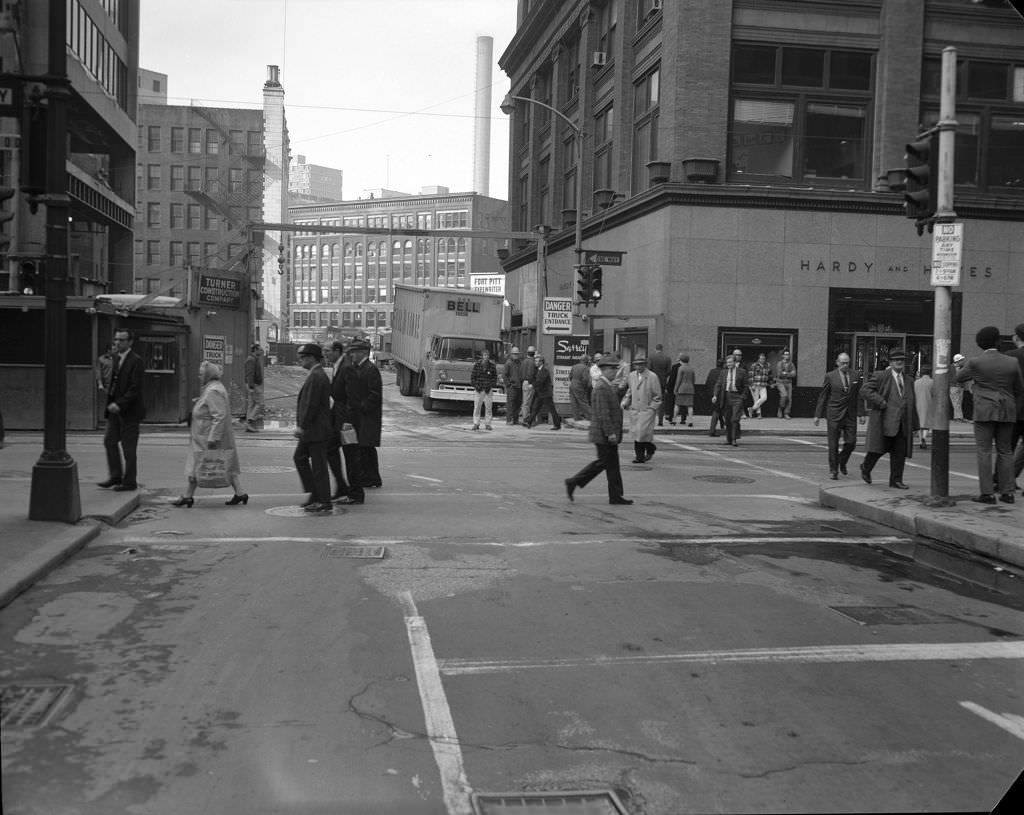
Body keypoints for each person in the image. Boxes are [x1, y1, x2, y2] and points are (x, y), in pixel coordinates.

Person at [955, 326, 1023, 504]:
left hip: (984, 409)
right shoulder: (1011, 362)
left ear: (980, 343)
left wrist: (976, 383)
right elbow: (1019, 388)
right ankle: (1007, 492)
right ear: (997, 341)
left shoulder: (976, 362)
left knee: (984, 451)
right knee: (1005, 450)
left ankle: (987, 493)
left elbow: (959, 377)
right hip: (1007, 409)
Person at [172, 361, 247, 507]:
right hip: (204, 435)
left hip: (206, 437)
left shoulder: (213, 391)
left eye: (201, 374)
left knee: (198, 464)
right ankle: (240, 493)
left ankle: (188, 496)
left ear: (208, 375)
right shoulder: (213, 388)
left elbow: (219, 415)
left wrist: (213, 437)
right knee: (225, 463)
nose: (199, 376)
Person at [564, 353, 633, 505]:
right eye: (613, 369)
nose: (615, 372)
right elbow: (603, 414)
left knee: (612, 465)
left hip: (606, 433)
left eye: (616, 369)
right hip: (603, 434)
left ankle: (615, 496)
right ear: (605, 370)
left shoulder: (607, 385)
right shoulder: (602, 387)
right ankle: (573, 481)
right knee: (603, 463)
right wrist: (610, 434)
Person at [335, 337, 384, 504]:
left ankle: (371, 478)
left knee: (366, 447)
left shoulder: (370, 369)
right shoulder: (359, 368)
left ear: (363, 353)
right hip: (362, 416)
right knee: (365, 448)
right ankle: (371, 478)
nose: (351, 355)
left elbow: (374, 395)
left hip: (367, 416)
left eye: (354, 352)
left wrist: (361, 407)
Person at [860, 350, 917, 490]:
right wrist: (880, 401)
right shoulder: (881, 376)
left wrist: (915, 425)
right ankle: (866, 467)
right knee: (878, 449)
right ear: (890, 363)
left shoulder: (909, 380)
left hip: (902, 423)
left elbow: (911, 402)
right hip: (884, 421)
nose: (899, 362)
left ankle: (896, 480)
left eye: (902, 360)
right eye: (896, 360)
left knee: (900, 452)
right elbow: (865, 390)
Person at [99, 328, 146, 491]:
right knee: (109, 441)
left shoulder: (136, 360)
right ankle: (115, 475)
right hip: (114, 410)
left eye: (122, 340)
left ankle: (129, 481)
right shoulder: (115, 358)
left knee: (128, 448)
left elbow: (135, 388)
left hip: (129, 411)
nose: (118, 343)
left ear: (130, 342)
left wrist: (120, 403)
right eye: (116, 340)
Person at [293, 343, 334, 512]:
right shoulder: (315, 374)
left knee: (318, 466)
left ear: (311, 358)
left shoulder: (317, 376)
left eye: (302, 357)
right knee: (300, 458)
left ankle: (323, 500)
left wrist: (302, 426)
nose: (300, 360)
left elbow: (311, 405)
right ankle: (315, 494)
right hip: (313, 429)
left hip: (315, 429)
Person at [813, 352, 865, 479]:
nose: (845, 365)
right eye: (842, 363)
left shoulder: (856, 375)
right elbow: (823, 396)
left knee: (851, 442)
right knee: (833, 444)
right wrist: (817, 415)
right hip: (834, 414)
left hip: (850, 415)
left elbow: (859, 395)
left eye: (847, 362)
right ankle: (834, 470)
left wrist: (861, 413)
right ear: (837, 363)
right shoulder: (830, 376)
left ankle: (842, 460)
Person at [324, 340, 352, 502]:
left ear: (337, 350)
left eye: (327, 351)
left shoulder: (346, 367)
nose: (325, 354)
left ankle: (349, 489)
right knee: (332, 450)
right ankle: (343, 486)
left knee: (349, 454)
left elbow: (351, 397)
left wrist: (347, 421)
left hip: (345, 420)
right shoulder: (337, 366)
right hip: (338, 417)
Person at [622, 353, 661, 463]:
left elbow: (658, 396)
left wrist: (652, 408)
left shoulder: (652, 377)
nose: (638, 367)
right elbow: (629, 391)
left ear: (645, 365)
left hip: (646, 410)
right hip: (635, 409)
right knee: (636, 434)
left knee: (641, 433)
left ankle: (650, 448)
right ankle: (639, 457)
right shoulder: (631, 376)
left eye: (640, 365)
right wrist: (626, 401)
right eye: (636, 365)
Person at [712, 354, 747, 446]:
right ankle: (728, 439)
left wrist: (743, 397)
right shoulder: (723, 372)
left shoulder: (742, 372)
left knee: (734, 419)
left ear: (735, 362)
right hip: (726, 397)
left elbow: (746, 386)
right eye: (727, 362)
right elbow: (718, 384)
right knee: (727, 419)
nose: (729, 364)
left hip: (737, 397)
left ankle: (734, 439)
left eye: (730, 362)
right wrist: (715, 395)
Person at [1006, 323, 1024, 490]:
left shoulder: (1011, 357)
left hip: (1014, 408)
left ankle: (1005, 481)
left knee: (1007, 447)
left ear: (1016, 337)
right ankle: (1010, 477)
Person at [523, 353, 561, 430]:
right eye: (535, 361)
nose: (536, 362)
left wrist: (532, 385)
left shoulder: (544, 371)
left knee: (551, 409)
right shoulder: (537, 370)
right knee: (535, 408)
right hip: (539, 393)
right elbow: (533, 377)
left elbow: (540, 381)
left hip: (546, 394)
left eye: (537, 361)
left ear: (541, 362)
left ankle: (557, 425)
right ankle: (529, 422)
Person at [471, 347, 498, 430]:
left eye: (487, 355)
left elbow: (494, 378)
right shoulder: (477, 365)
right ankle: (476, 423)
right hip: (478, 390)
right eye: (484, 355)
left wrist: (490, 386)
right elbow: (473, 377)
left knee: (489, 408)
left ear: (489, 356)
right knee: (477, 407)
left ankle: (488, 424)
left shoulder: (492, 366)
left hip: (488, 390)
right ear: (482, 356)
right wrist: (476, 386)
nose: (486, 357)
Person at [647, 344, 672, 426]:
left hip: (652, 382)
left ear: (655, 349)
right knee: (661, 402)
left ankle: (650, 420)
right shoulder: (667, 358)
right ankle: (660, 421)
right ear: (662, 349)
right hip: (662, 382)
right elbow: (669, 371)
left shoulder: (651, 357)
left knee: (650, 400)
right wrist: (664, 377)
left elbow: (649, 369)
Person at [243, 344, 265, 432]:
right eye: (260, 350)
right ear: (255, 350)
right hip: (254, 385)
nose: (261, 351)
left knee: (251, 405)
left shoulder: (254, 359)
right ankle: (250, 420)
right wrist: (251, 386)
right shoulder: (251, 360)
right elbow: (250, 374)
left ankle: (249, 426)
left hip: (254, 384)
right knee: (260, 403)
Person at [502, 346, 525, 425]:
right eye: (514, 354)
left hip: (519, 387)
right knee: (510, 404)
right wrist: (508, 385)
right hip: (512, 387)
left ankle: (516, 420)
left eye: (517, 354)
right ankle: (509, 420)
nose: (515, 355)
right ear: (511, 354)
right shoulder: (508, 363)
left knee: (518, 404)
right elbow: (504, 375)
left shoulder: (520, 362)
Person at [672, 354, 696, 427]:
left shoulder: (681, 368)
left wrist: (675, 389)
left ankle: (674, 420)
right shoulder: (691, 368)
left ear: (681, 360)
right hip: (690, 388)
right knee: (690, 406)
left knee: (677, 405)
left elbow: (678, 380)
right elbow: (693, 380)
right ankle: (690, 421)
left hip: (681, 389)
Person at [914, 366, 934, 450]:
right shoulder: (933, 382)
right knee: (927, 423)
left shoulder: (916, 382)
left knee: (919, 423)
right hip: (929, 404)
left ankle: (920, 439)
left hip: (917, 404)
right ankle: (924, 438)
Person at [705, 359, 726, 436]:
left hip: (713, 394)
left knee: (717, 411)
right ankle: (712, 430)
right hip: (722, 394)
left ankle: (722, 424)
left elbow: (708, 382)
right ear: (724, 364)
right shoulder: (724, 372)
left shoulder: (712, 371)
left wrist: (711, 394)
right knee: (719, 412)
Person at [774, 349, 797, 419]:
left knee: (789, 399)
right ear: (783, 355)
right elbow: (779, 374)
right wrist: (789, 373)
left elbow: (794, 374)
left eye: (788, 354)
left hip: (789, 383)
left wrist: (785, 373)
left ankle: (786, 413)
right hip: (780, 382)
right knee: (784, 395)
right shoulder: (779, 363)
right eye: (785, 354)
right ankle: (780, 409)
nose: (787, 356)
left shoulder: (791, 364)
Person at [568, 354, 592, 421]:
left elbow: (570, 376)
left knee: (574, 402)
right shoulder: (585, 368)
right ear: (586, 361)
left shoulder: (574, 366)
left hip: (572, 385)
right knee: (583, 402)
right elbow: (585, 379)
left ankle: (577, 417)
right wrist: (585, 387)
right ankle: (591, 417)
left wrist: (573, 382)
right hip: (579, 386)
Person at [748, 352, 771, 418]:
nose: (762, 360)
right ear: (758, 359)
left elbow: (770, 375)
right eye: (761, 359)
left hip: (763, 385)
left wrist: (771, 383)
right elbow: (751, 376)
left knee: (764, 398)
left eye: (764, 359)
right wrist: (752, 385)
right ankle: (759, 414)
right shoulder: (754, 365)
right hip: (755, 384)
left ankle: (751, 409)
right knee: (756, 399)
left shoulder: (768, 365)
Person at [521, 346, 538, 424]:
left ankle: (525, 418)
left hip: (524, 382)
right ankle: (526, 419)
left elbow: (521, 372)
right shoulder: (532, 362)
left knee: (525, 401)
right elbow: (531, 373)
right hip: (529, 383)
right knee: (527, 403)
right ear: (533, 353)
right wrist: (532, 383)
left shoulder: (524, 361)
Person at [949, 355, 967, 421]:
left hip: (961, 386)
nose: (963, 361)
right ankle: (959, 417)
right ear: (958, 361)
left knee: (959, 402)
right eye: (962, 360)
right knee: (956, 402)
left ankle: (957, 417)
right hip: (953, 387)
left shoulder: (963, 368)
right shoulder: (950, 367)